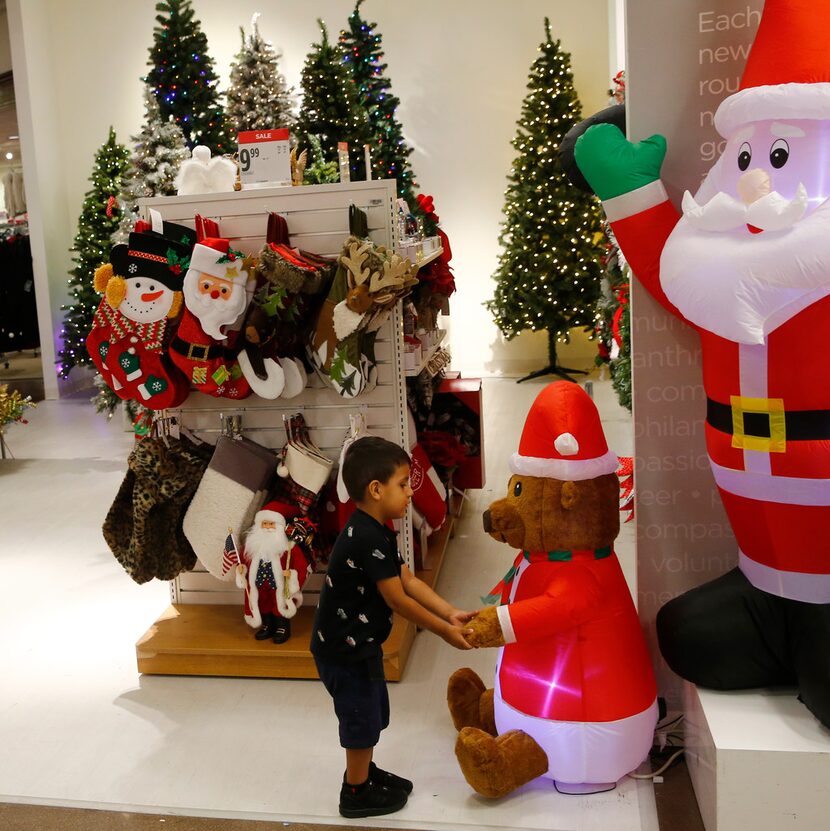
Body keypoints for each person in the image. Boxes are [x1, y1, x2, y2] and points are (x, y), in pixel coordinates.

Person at [310, 435, 476, 819]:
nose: (410, 493)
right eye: (403, 485)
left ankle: (364, 773)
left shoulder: (377, 528)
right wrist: (443, 632)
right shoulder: (367, 537)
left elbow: (410, 581)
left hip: (359, 645)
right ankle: (355, 791)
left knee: (373, 711)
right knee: (360, 718)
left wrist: (451, 612)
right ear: (375, 489)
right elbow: (398, 599)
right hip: (343, 651)